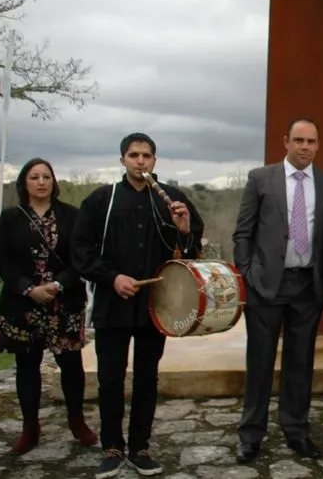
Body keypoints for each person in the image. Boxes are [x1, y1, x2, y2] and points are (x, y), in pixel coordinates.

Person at [71, 133, 204, 478]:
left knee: (147, 377)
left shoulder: (173, 199)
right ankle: (112, 447)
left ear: (155, 161)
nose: (140, 161)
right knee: (110, 379)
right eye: (134, 155)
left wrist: (186, 230)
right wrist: (112, 277)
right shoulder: (102, 200)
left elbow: (190, 252)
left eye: (147, 155)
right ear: (122, 160)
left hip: (154, 307)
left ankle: (140, 447)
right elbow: (81, 251)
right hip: (112, 305)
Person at [233, 118, 323, 462]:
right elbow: (243, 233)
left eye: (311, 141)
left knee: (300, 364)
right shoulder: (260, 179)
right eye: (299, 140)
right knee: (260, 363)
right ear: (286, 142)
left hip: (308, 287)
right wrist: (248, 274)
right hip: (266, 286)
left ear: (318, 145)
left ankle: (297, 432)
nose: (305, 146)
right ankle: (250, 435)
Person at [0, 158, 97, 455]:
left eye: (46, 176)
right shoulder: (11, 218)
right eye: (34, 177)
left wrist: (58, 284)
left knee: (71, 365)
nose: (41, 182)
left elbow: (80, 257)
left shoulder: (71, 216)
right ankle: (30, 427)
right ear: (25, 182)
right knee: (27, 365)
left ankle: (77, 422)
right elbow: (2, 260)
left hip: (65, 302)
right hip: (23, 304)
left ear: (54, 181)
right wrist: (28, 289)